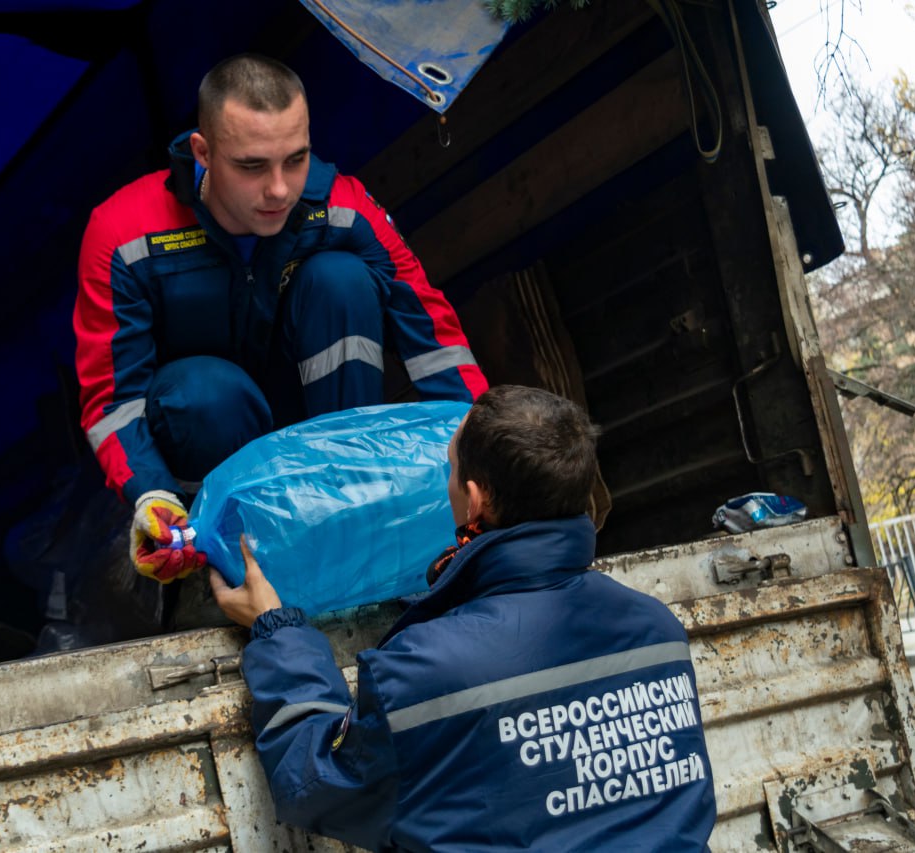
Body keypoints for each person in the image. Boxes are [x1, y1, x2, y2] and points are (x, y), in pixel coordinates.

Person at [210, 385, 716, 851]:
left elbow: (314, 784)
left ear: (476, 500)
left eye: (449, 469)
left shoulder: (424, 671)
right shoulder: (659, 631)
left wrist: (277, 629)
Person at [74, 53, 487, 586]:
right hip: (211, 441)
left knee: (339, 279)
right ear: (203, 152)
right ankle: (227, 551)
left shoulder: (342, 205)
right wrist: (151, 494)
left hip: (327, 436)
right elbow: (112, 401)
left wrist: (489, 448)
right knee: (202, 389)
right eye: (252, 166)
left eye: (296, 159)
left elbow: (432, 337)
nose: (279, 189)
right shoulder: (124, 233)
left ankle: (356, 515)